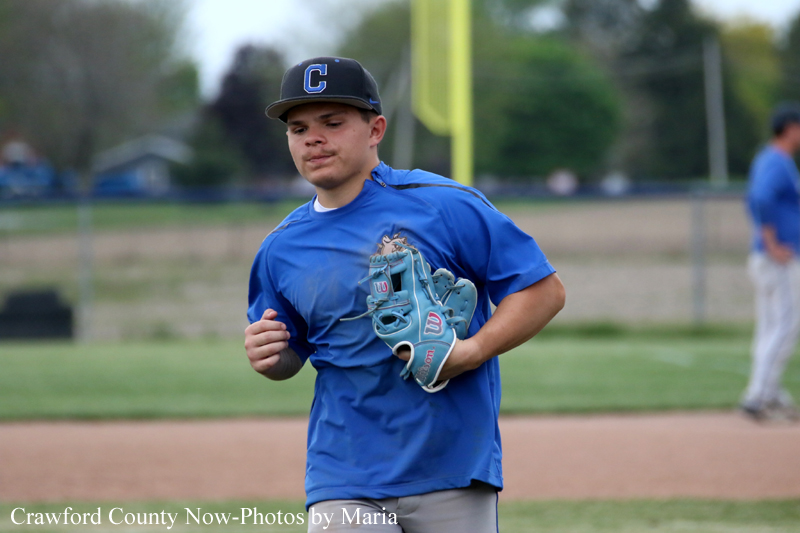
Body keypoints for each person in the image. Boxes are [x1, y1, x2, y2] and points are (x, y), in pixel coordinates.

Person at [244, 57, 565, 532]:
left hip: (452, 463)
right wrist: (272, 356)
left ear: (375, 130)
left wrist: (473, 350)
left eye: (333, 123)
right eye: (298, 128)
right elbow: (291, 353)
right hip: (343, 470)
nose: (313, 138)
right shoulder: (281, 247)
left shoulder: (443, 204)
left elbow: (542, 290)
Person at [742, 102, 800, 422]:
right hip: (777, 259)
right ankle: (759, 395)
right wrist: (772, 243)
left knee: (769, 328)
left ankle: (770, 392)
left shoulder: (769, 158)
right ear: (790, 128)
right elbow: (760, 199)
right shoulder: (777, 161)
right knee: (786, 324)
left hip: (765, 258)